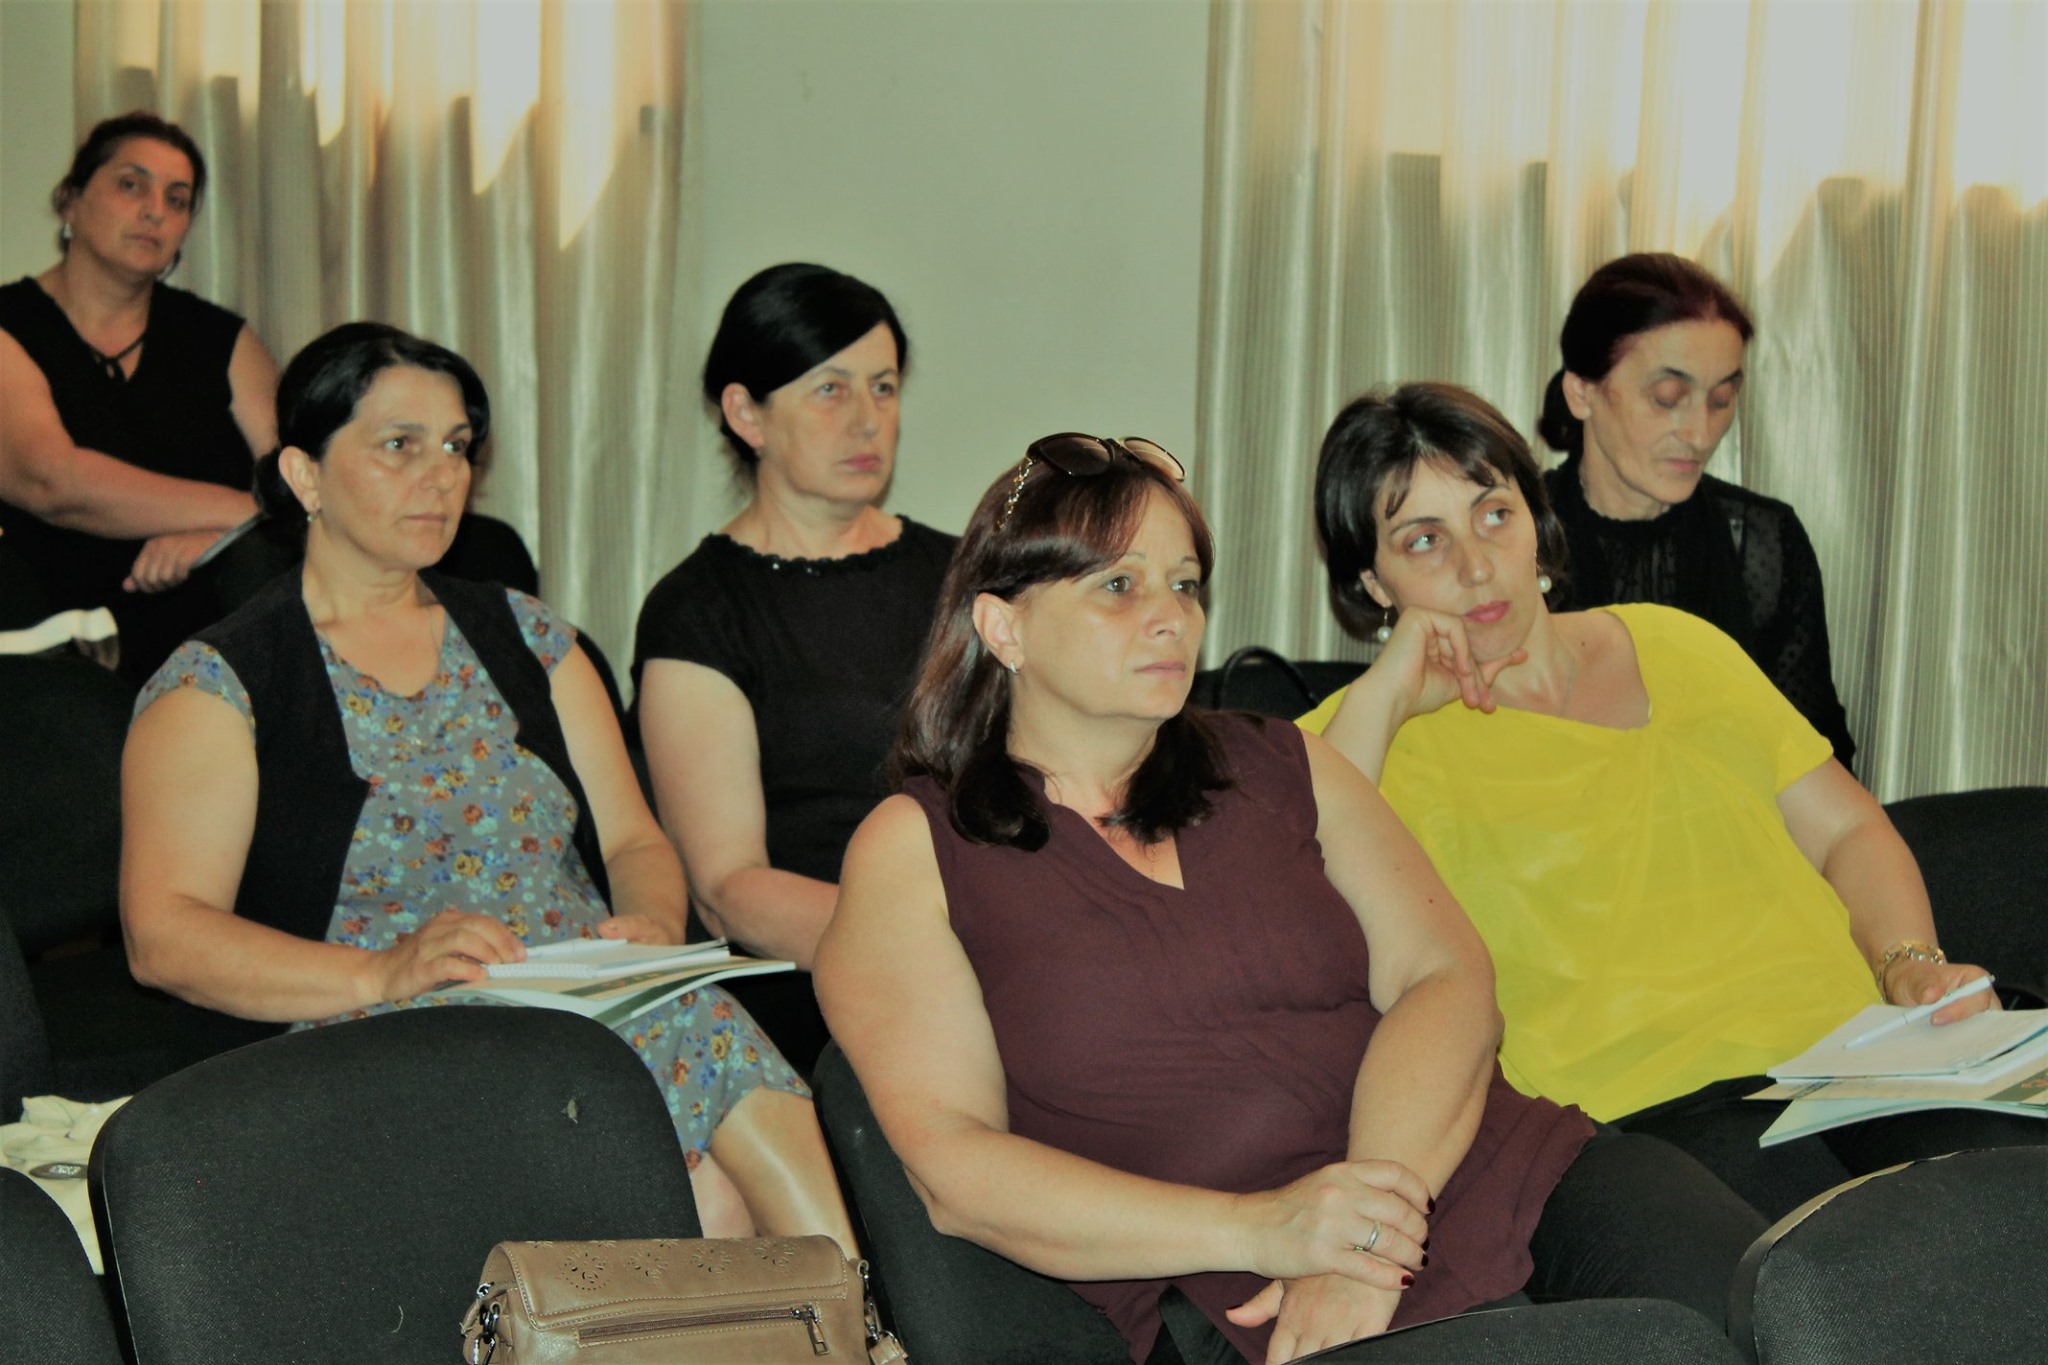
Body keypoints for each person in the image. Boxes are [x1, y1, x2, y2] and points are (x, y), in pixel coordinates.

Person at [816, 436, 1764, 1365]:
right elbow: (958, 1171)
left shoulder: (1280, 761)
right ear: (1003, 626)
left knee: (1791, 1302)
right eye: (1119, 585)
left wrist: (1367, 1229)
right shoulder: (918, 847)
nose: (1171, 617)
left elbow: (1446, 975)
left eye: (1185, 584)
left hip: (1488, 1170)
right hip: (1240, 1281)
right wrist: (1271, 1228)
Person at [120, 322, 856, 1252]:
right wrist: (382, 972)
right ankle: (859, 1311)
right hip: (375, 1025)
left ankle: (852, 1307)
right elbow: (164, 936)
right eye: (400, 445)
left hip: (586, 1004)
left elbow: (633, 840)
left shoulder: (528, 637)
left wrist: (649, 925)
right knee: (703, 1150)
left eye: (457, 445)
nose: (442, 475)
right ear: (305, 474)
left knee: (703, 1121)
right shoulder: (221, 683)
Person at [1304, 382, 2045, 1221]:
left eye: (1494, 515)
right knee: (1846, 1269)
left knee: (2018, 1214)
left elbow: (1845, 828)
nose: (1476, 565)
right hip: (1647, 1114)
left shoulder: (1676, 642)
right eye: (1423, 540)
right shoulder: (1358, 741)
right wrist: (1386, 697)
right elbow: (1280, 916)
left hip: (1861, 1059)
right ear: (1373, 581)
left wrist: (1908, 961)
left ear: (1536, 521)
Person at [633, 263, 955, 1073]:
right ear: (747, 412)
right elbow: (728, 888)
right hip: (817, 978)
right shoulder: (699, 609)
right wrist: (931, 949)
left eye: (884, 387)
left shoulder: (965, 575)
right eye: (830, 389)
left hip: (986, 941)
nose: (868, 420)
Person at [1535, 252, 1856, 768]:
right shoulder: (1511, 541)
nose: (1701, 434)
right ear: (1581, 393)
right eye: (1668, 398)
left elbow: (1816, 749)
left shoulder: (1764, 542)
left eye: (1722, 399)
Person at [0, 111, 282, 679]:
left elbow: (298, 482)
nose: (156, 210)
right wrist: (244, 515)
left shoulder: (224, 340)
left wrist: (218, 539)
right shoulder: (10, 324)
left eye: (177, 199)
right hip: (54, 636)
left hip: (215, 627)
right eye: (132, 185)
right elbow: (49, 481)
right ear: (70, 200)